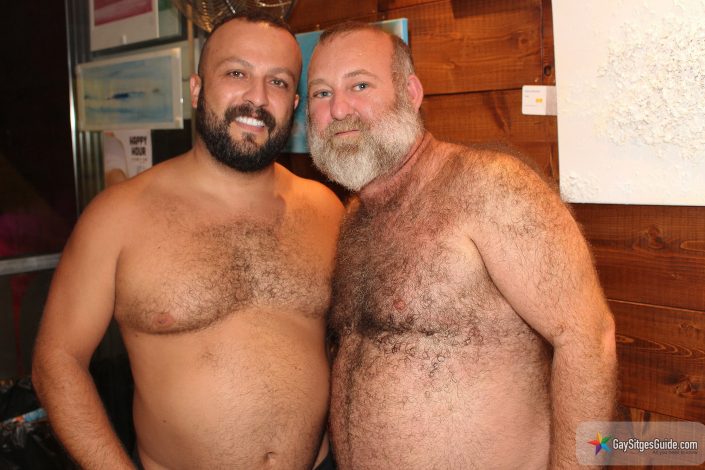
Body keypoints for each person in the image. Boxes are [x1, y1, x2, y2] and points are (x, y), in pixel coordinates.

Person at [32, 12, 343, 470]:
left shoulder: (327, 209)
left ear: (293, 103)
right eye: (236, 73)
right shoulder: (118, 216)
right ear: (196, 89)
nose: (257, 98)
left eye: (277, 82)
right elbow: (57, 361)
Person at [306, 22, 617, 469]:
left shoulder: (489, 186)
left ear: (411, 93)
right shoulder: (355, 218)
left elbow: (589, 338)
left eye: (360, 85)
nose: (338, 109)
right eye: (321, 93)